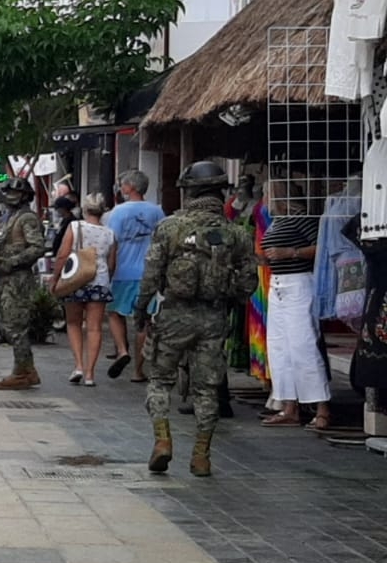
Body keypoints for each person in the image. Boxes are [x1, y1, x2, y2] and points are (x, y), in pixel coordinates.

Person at [139, 162, 257, 476]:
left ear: (189, 191)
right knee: (207, 390)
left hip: (174, 316)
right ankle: (202, 456)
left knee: (159, 381)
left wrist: (140, 310)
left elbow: (150, 276)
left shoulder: (170, 227)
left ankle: (163, 442)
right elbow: (248, 283)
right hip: (214, 319)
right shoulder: (234, 234)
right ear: (221, 192)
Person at [258, 188, 333, 429]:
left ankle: (322, 407)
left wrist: (290, 253)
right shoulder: (278, 221)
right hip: (278, 283)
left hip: (299, 282)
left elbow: (321, 248)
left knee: (304, 345)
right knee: (279, 348)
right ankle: (289, 405)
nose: (265, 200)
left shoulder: (302, 219)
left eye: (267, 194)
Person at [0, 176, 45, 390]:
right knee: (8, 324)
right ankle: (25, 368)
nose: (9, 197)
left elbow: (37, 247)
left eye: (14, 193)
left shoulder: (26, 218)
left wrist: (12, 261)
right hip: (6, 277)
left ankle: (22, 372)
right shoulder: (10, 217)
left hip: (18, 278)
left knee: (15, 326)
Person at [105, 169, 165, 380]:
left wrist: (109, 270)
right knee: (145, 321)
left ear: (130, 187)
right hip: (149, 273)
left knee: (114, 313)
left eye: (123, 184)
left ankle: (122, 350)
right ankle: (139, 371)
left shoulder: (118, 212)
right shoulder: (157, 212)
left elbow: (111, 243)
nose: (121, 188)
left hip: (123, 271)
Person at [56, 195, 117, 386]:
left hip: (75, 280)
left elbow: (63, 255)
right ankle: (90, 374)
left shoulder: (75, 227)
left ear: (84, 210)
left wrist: (55, 278)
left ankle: (78, 366)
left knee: (73, 323)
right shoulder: (110, 234)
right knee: (94, 328)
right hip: (99, 281)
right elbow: (112, 263)